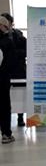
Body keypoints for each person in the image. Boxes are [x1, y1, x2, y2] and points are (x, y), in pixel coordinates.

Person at [2, 13, 26, 127]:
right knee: (5, 97)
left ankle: (20, 117)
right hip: (4, 71)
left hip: (18, 70)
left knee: (20, 94)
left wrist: (14, 54)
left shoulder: (18, 35)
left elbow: (26, 50)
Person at [0, 16, 16, 144]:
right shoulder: (7, 41)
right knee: (4, 106)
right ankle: (6, 134)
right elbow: (11, 62)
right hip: (2, 79)